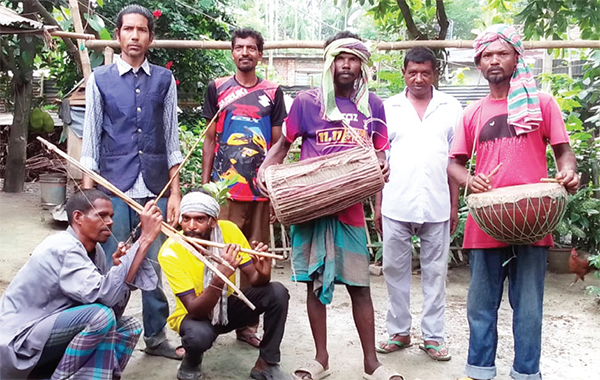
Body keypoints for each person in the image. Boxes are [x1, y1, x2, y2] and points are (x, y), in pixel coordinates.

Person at [258, 31, 402, 380]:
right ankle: (321, 360)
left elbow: (381, 156)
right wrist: (266, 169)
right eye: (340, 57)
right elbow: (283, 145)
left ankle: (372, 363)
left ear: (361, 64)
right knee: (312, 284)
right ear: (329, 62)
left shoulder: (373, 106)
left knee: (359, 287)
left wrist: (384, 169)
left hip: (351, 211)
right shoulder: (308, 103)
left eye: (353, 58)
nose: (347, 65)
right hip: (309, 208)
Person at [447, 25, 579, 380]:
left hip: (534, 220)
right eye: (487, 55)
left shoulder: (542, 103)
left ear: (517, 57)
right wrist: (469, 179)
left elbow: (564, 154)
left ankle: (525, 373)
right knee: (480, 306)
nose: (494, 60)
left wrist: (568, 173)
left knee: (529, 309)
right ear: (479, 62)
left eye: (502, 53)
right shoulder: (472, 112)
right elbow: (454, 163)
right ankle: (479, 370)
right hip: (486, 222)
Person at [80, 4, 184, 360]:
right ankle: (107, 333)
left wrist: (175, 193)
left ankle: (155, 338)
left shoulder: (164, 81)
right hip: (112, 189)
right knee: (113, 265)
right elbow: (91, 141)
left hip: (153, 190)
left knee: (153, 265)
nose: (135, 36)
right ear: (118, 35)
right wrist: (88, 195)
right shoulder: (100, 79)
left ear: (150, 38)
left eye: (142, 30)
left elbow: (172, 141)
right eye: (128, 30)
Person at [0, 189, 162, 379]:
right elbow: (105, 302)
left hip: (45, 334)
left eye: (111, 216)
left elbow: (111, 307)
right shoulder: (64, 246)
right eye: (101, 216)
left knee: (129, 326)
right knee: (100, 317)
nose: (110, 222)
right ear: (78, 217)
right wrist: (144, 240)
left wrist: (122, 266)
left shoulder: (96, 250)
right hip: (19, 342)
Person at [202, 27, 287, 348]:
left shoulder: (273, 91)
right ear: (232, 52)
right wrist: (206, 186)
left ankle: (248, 324)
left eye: (252, 48)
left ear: (259, 54)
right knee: (221, 255)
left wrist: (277, 186)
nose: (245, 53)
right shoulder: (218, 88)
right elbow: (209, 140)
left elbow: (280, 143)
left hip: (261, 191)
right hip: (225, 190)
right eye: (239, 48)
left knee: (256, 258)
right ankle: (215, 315)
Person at [375, 47, 462, 361]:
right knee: (394, 271)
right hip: (396, 204)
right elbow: (379, 161)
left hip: (437, 205)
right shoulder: (388, 108)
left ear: (434, 73)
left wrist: (454, 206)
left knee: (436, 274)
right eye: (413, 72)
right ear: (404, 73)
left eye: (425, 72)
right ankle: (399, 332)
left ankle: (434, 337)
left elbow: (456, 160)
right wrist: (377, 205)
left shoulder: (451, 107)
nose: (419, 78)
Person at [157, 191, 289, 380]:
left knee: (277, 292)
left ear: (213, 221)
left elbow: (254, 278)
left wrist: (264, 272)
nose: (191, 226)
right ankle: (192, 361)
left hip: (226, 308)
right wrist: (220, 277)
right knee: (197, 336)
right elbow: (195, 311)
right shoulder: (170, 251)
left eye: (199, 219)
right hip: (193, 315)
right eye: (186, 219)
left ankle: (266, 364)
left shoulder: (228, 230)